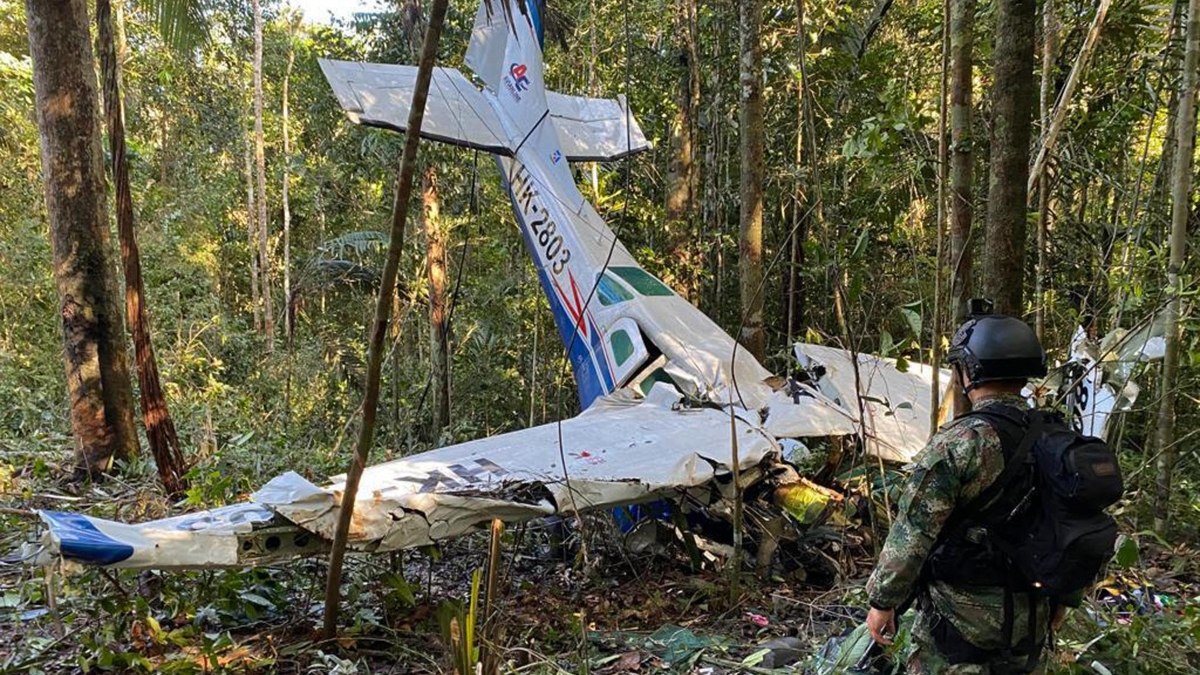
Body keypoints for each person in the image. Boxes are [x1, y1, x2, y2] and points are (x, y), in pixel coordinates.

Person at [862, 307, 1067, 675]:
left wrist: (883, 601)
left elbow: (913, 532)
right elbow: (1076, 521)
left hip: (958, 624)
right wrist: (1067, 597)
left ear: (969, 371)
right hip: (1033, 621)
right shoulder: (1058, 439)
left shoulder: (961, 442)